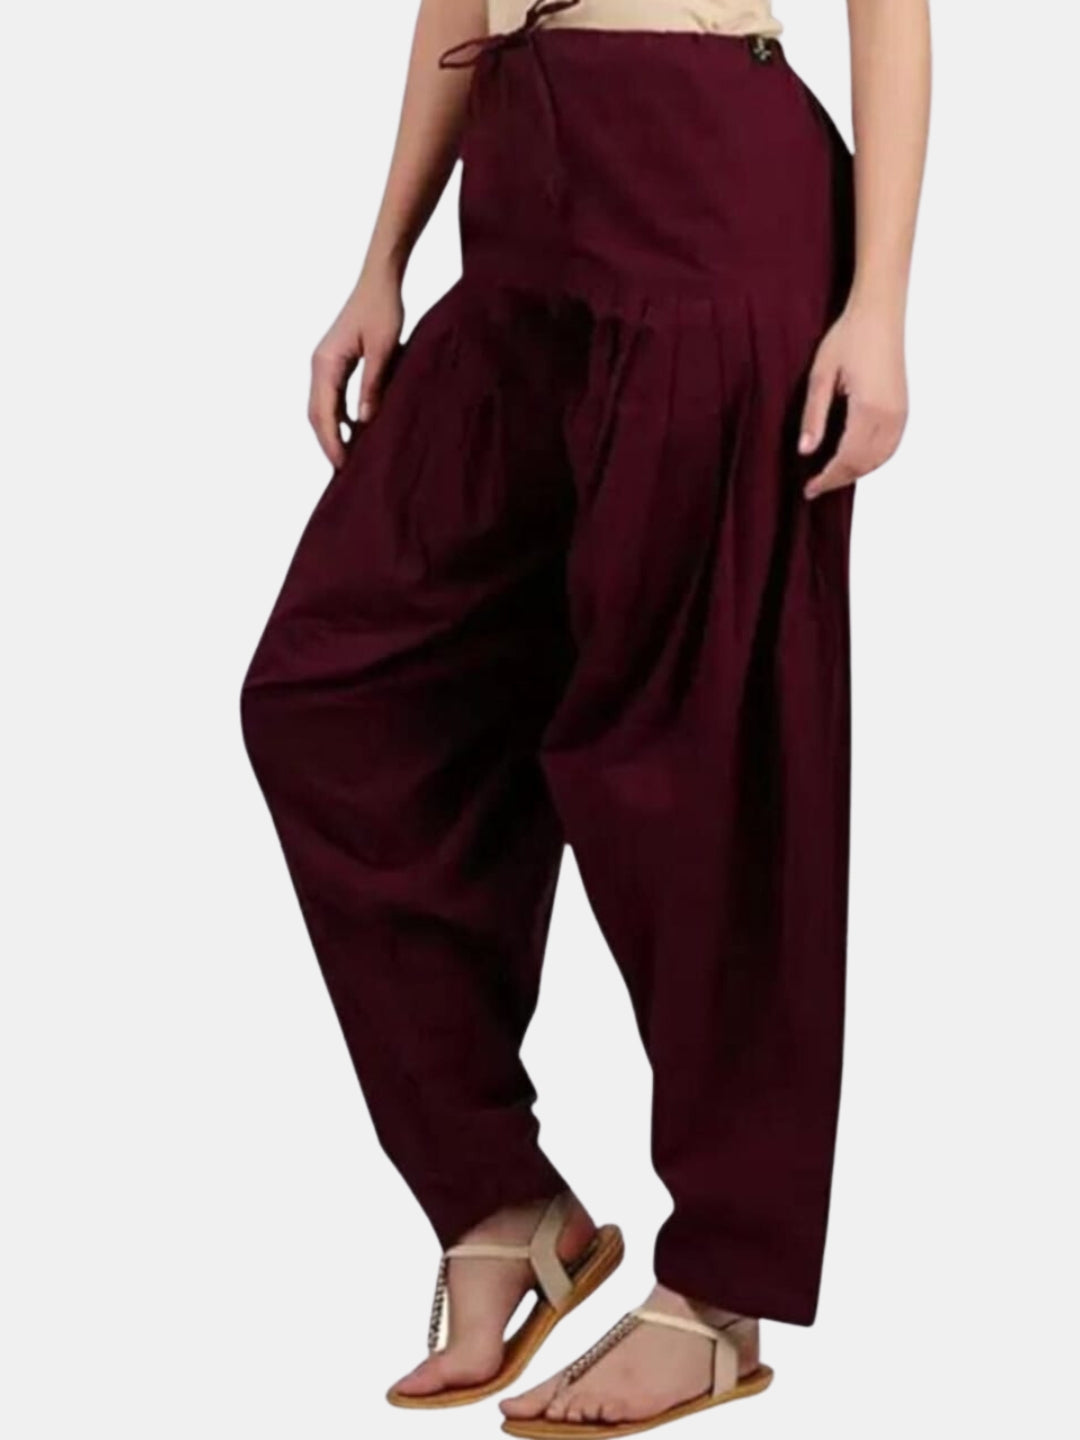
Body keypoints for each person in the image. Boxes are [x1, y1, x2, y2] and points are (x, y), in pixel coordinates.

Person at [241, 1, 931, 1433]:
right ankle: (501, 1199)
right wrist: (381, 261)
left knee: (698, 755)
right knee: (334, 697)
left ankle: (724, 1288)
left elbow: (891, 5)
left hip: (710, 191)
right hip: (519, 217)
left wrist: (880, 303)